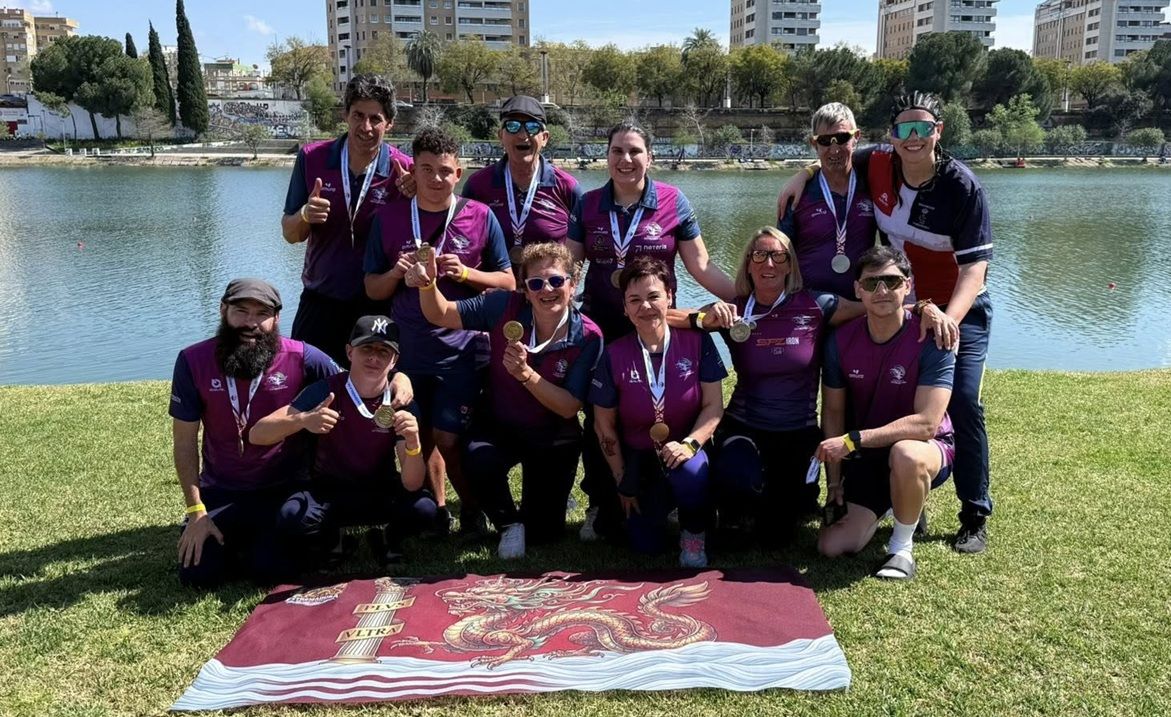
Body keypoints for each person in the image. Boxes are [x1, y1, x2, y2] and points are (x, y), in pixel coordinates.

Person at [776, 91, 993, 554]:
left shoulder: (962, 186)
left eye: (923, 129)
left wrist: (944, 320)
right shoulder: (878, 163)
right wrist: (805, 171)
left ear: (939, 131)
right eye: (904, 130)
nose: (912, 139)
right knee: (853, 393)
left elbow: (975, 271)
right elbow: (833, 156)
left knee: (965, 401)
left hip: (955, 306)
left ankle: (974, 512)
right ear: (891, 136)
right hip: (886, 299)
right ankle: (865, 490)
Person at [567, 122, 736, 543]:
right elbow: (569, 268)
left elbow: (700, 267)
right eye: (617, 151)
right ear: (606, 155)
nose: (626, 159)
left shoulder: (674, 201)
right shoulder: (587, 205)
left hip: (659, 327)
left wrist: (750, 300)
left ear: (650, 157)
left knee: (672, 405)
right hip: (603, 333)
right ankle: (599, 501)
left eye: (635, 151)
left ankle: (685, 490)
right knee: (599, 420)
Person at [364, 127, 514, 536]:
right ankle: (438, 511)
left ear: (459, 172)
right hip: (409, 352)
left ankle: (472, 508)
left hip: (462, 351)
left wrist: (465, 272)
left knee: (449, 437)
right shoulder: (389, 217)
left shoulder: (481, 215)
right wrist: (397, 272)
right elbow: (371, 288)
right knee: (418, 435)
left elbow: (509, 283)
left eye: (445, 171)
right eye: (426, 169)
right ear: (413, 169)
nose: (435, 179)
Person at [412, 243, 603, 559]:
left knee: (544, 534)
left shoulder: (589, 335)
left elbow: (570, 406)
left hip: (553, 434)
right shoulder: (502, 306)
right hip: (501, 425)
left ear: (573, 283)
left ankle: (530, 520)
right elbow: (440, 312)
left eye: (556, 281)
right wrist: (427, 284)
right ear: (525, 290)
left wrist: (525, 375)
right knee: (477, 456)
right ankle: (507, 524)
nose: (547, 290)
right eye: (536, 283)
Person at [169, 278, 339, 587]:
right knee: (198, 576)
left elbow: (355, 384)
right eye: (241, 311)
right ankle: (238, 539)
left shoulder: (303, 357)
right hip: (221, 489)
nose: (251, 323)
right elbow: (183, 443)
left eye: (261, 314)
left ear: (276, 319)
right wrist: (196, 511)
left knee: (271, 572)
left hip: (283, 488)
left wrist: (398, 382)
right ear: (223, 311)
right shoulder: (192, 361)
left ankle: (258, 545)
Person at [249, 315, 435, 568]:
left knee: (424, 510)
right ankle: (333, 540)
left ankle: (389, 537)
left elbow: (412, 484)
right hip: (328, 491)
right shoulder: (324, 391)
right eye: (366, 348)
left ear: (395, 361)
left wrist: (413, 442)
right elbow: (257, 433)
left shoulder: (402, 402)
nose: (374, 357)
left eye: (384, 351)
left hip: (379, 488)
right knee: (292, 518)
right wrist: (303, 420)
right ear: (349, 351)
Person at [816, 247, 956, 581]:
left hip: (925, 448)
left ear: (908, 286)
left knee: (905, 453)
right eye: (872, 282)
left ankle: (901, 548)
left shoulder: (933, 337)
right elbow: (833, 412)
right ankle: (901, 501)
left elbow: (926, 423)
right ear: (857, 290)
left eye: (892, 281)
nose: (882, 291)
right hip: (866, 456)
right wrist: (834, 481)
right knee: (830, 546)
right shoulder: (840, 341)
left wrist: (854, 440)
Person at [590, 256, 727, 568]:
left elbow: (713, 407)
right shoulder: (613, 354)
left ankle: (693, 531)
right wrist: (622, 477)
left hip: (686, 450)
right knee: (644, 545)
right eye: (634, 300)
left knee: (689, 473)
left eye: (653, 296)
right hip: (639, 457)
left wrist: (690, 443)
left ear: (670, 298)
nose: (646, 307)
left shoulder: (698, 342)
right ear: (624, 308)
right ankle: (663, 507)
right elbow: (603, 424)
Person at [281, 74, 413, 365]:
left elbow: (430, 226)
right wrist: (305, 214)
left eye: (375, 119)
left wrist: (418, 198)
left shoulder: (405, 170)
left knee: (372, 395)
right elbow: (290, 234)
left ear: (389, 123)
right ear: (346, 115)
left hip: (379, 304)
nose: (365, 127)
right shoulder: (312, 157)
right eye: (358, 116)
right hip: (321, 298)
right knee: (310, 390)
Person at [461, 95, 583, 265]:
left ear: (545, 138)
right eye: (512, 126)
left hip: (546, 289)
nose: (522, 135)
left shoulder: (567, 187)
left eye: (532, 127)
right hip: (493, 289)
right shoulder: (477, 185)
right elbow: (462, 240)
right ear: (501, 136)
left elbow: (579, 252)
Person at [778, 102, 876, 299]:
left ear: (856, 137)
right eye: (824, 141)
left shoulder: (873, 181)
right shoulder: (797, 193)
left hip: (861, 306)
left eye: (841, 139)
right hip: (809, 306)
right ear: (814, 143)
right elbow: (781, 257)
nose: (834, 149)